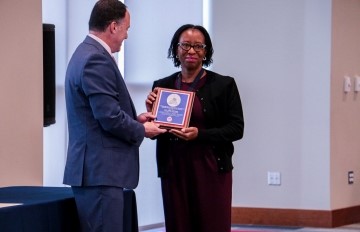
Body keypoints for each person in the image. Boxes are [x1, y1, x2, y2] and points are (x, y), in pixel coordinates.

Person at [63, 1, 166, 231]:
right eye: (126, 29)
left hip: (96, 172)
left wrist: (135, 119)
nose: (127, 36)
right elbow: (108, 117)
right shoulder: (95, 59)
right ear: (113, 27)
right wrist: (142, 130)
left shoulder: (86, 53)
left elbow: (102, 112)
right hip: (100, 173)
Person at [145, 24, 245, 232]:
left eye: (198, 46)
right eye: (186, 45)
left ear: (206, 51)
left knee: (212, 224)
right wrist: (150, 113)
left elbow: (236, 128)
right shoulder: (162, 85)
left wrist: (200, 134)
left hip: (210, 169)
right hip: (174, 169)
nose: (191, 51)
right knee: (178, 225)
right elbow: (156, 131)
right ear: (176, 49)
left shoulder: (224, 85)